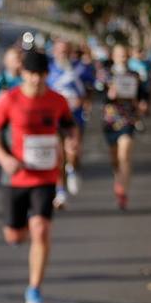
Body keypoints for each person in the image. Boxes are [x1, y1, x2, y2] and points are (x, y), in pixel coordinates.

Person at [0, 50, 79, 303]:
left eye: (41, 74)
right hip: (15, 176)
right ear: (23, 73)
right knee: (14, 235)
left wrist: (72, 140)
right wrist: (4, 158)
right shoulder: (9, 99)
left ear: (47, 74)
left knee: (41, 229)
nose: (36, 79)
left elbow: (69, 125)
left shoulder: (57, 100)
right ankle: (19, 228)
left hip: (45, 176)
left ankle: (34, 289)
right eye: (31, 74)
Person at [102, 44, 145, 210]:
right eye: (120, 55)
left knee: (124, 155)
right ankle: (118, 179)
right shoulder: (106, 75)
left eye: (125, 55)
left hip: (128, 120)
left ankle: (122, 192)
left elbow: (143, 95)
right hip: (110, 121)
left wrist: (142, 104)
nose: (123, 58)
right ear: (113, 56)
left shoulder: (134, 75)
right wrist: (109, 95)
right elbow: (100, 95)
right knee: (115, 160)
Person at [48, 39, 87, 202]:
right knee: (58, 155)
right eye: (59, 50)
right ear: (54, 51)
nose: (62, 54)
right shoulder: (48, 68)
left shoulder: (80, 68)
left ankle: (72, 169)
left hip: (74, 117)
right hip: (53, 118)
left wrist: (82, 101)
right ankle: (60, 190)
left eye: (65, 51)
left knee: (72, 152)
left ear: (70, 52)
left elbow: (90, 89)